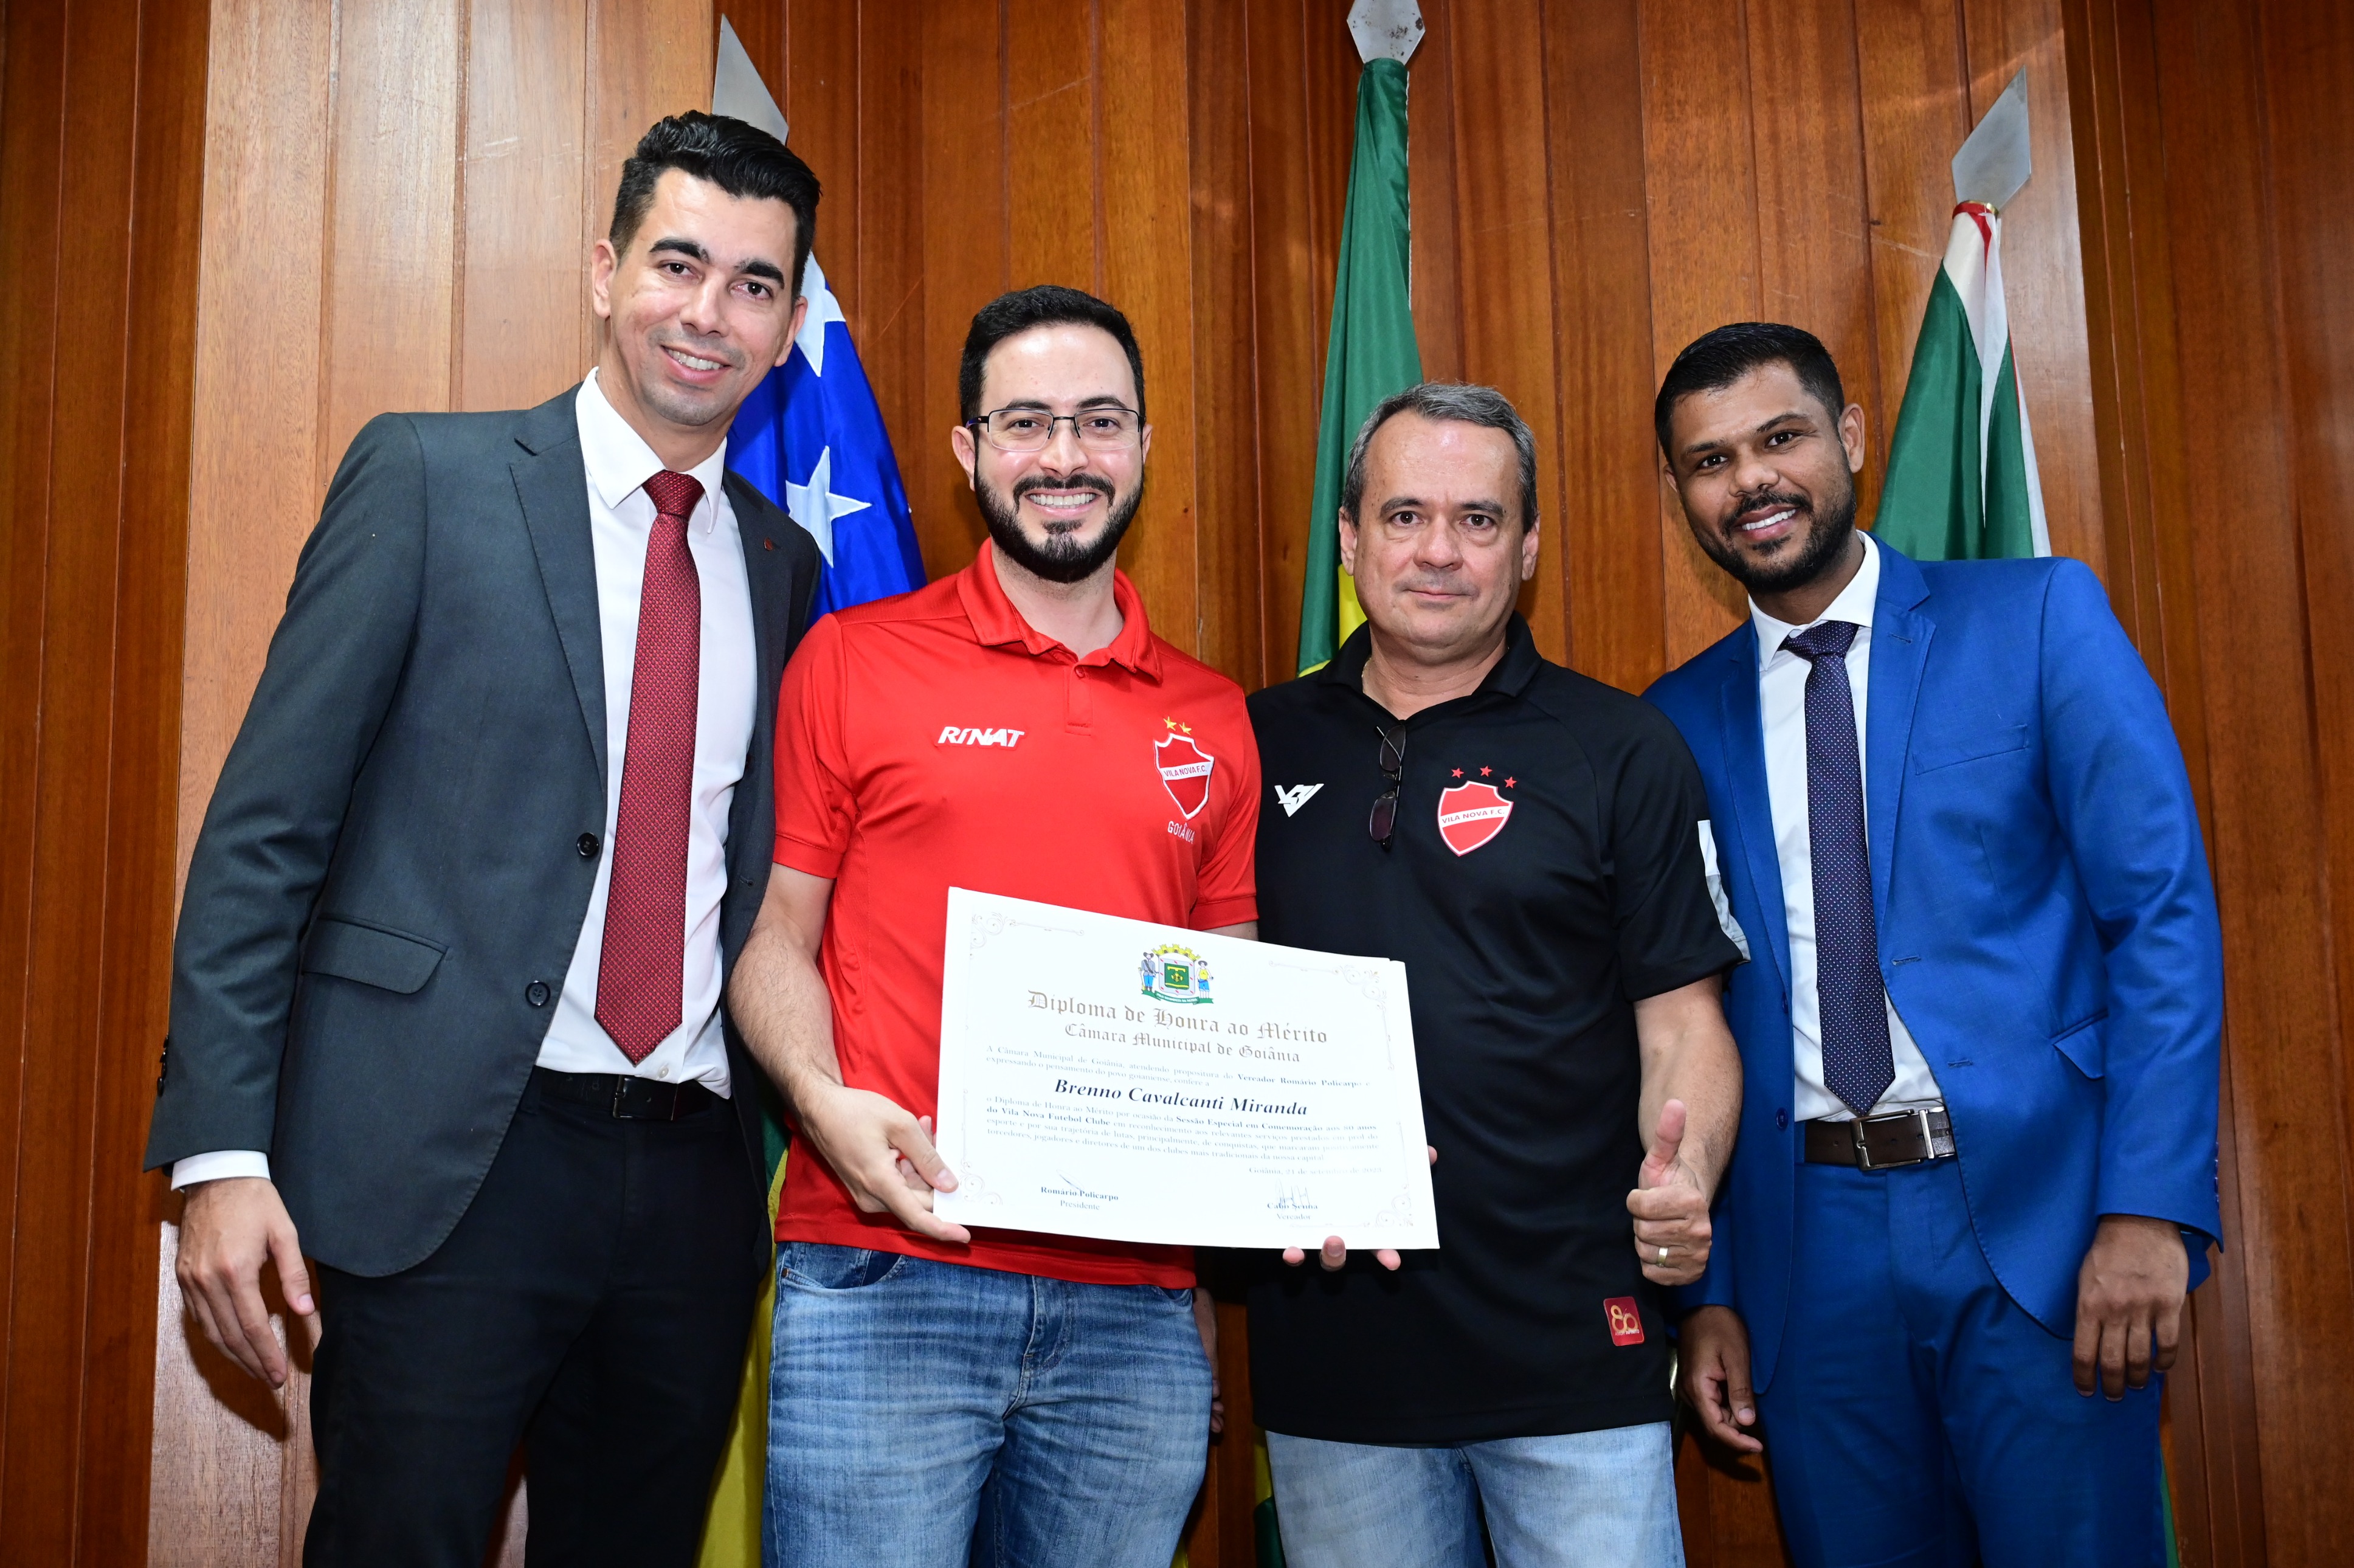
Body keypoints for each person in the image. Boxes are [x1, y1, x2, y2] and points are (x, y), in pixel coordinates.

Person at [144, 113, 825, 1567]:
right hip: (451, 1161)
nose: (709, 313)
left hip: (693, 1183)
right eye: (679, 263)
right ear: (604, 269)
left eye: (755, 285)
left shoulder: (788, 567)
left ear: (784, 330)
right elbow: (266, 830)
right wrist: (218, 1152)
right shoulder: (427, 479)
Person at [1643, 323, 2222, 1567]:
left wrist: (2147, 1207)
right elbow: (1688, 1009)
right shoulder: (1671, 723)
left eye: (1781, 437)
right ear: (1680, 493)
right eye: (1710, 460)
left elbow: (2161, 920)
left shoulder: (2036, 619)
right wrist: (1713, 1293)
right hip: (1808, 1253)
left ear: (1850, 436)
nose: (1751, 480)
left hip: (2044, 1225)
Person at [729, 284, 1258, 1568]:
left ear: (1142, 446)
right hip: (884, 1272)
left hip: (1134, 1314)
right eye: (1026, 423)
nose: (1065, 456)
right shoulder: (851, 660)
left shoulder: (1216, 716)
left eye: (1099, 422)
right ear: (969, 451)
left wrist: (1304, 1161)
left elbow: (1226, 1000)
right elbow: (773, 940)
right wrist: (820, 1103)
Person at [1244, 382, 1745, 1567]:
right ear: (1349, 539)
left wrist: (1686, 1181)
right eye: (1404, 515)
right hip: (1332, 1357)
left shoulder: (1621, 749)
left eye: (1477, 520)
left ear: (1525, 549)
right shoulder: (1248, 742)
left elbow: (1683, 1025)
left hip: (1574, 1347)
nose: (1438, 551)